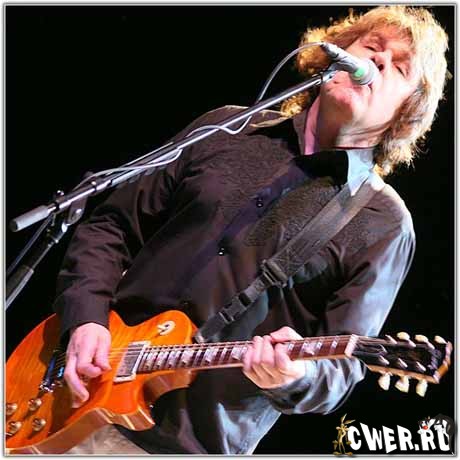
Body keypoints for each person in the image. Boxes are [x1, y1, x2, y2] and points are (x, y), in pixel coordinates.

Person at [53, 5, 449, 455]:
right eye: (371, 46)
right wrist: (86, 318)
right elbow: (111, 226)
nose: (377, 61)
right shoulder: (226, 129)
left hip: (181, 445)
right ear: (335, 54)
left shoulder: (384, 222)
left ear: (406, 112)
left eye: (399, 67)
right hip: (73, 392)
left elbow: (339, 376)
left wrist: (295, 375)